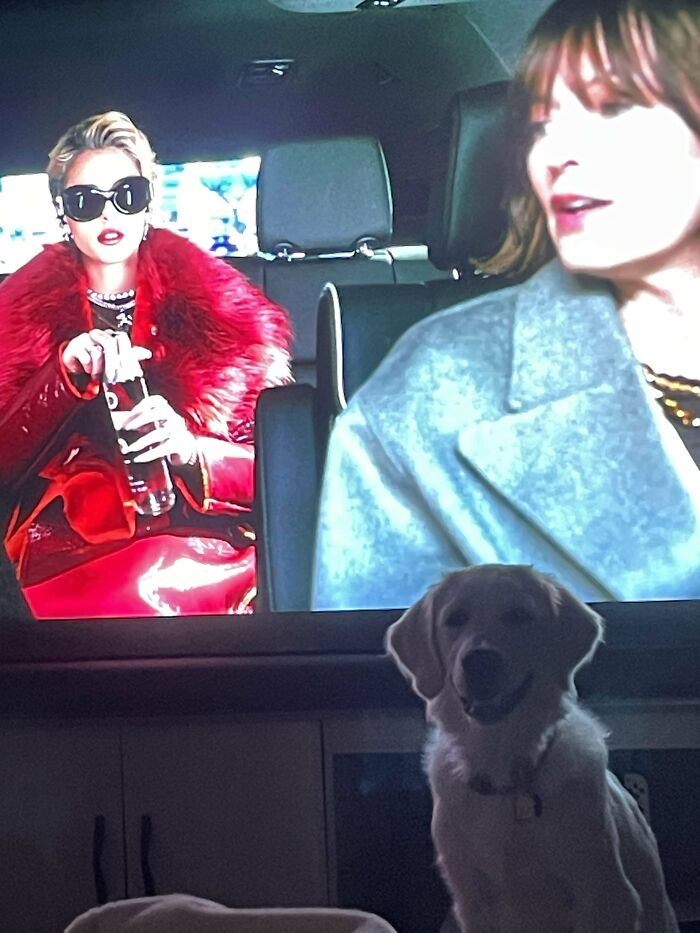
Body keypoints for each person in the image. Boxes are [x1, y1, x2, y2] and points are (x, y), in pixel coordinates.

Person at [313, 0, 700, 610]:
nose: (556, 152)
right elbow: (384, 683)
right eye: (543, 123)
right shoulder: (425, 398)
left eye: (612, 106)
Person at [0, 112, 291, 618]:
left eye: (126, 195)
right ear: (63, 215)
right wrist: (62, 380)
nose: (109, 215)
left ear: (149, 202)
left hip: (196, 537)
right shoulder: (18, 318)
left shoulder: (227, 317)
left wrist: (189, 450)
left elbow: (281, 472)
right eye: (86, 202)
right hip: (64, 536)